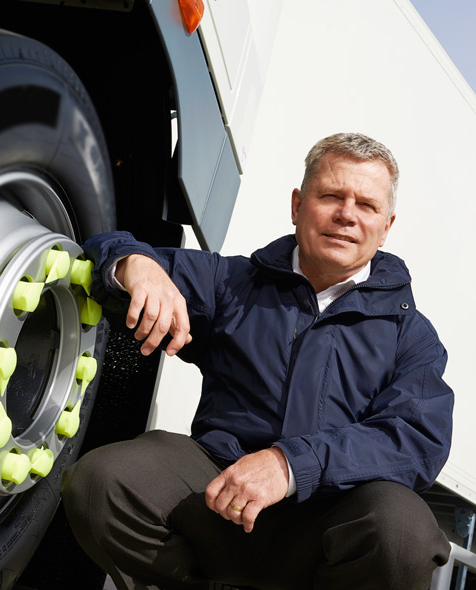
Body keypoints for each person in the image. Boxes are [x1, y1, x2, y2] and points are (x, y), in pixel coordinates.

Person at [62, 133, 454, 590]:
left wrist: (290, 466)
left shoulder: (412, 336)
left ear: (385, 227)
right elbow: (107, 250)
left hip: (322, 526)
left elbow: (415, 440)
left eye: (366, 205)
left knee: (403, 531)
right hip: (213, 497)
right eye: (331, 195)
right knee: (101, 483)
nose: (347, 214)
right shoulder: (235, 283)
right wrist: (135, 264)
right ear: (297, 205)